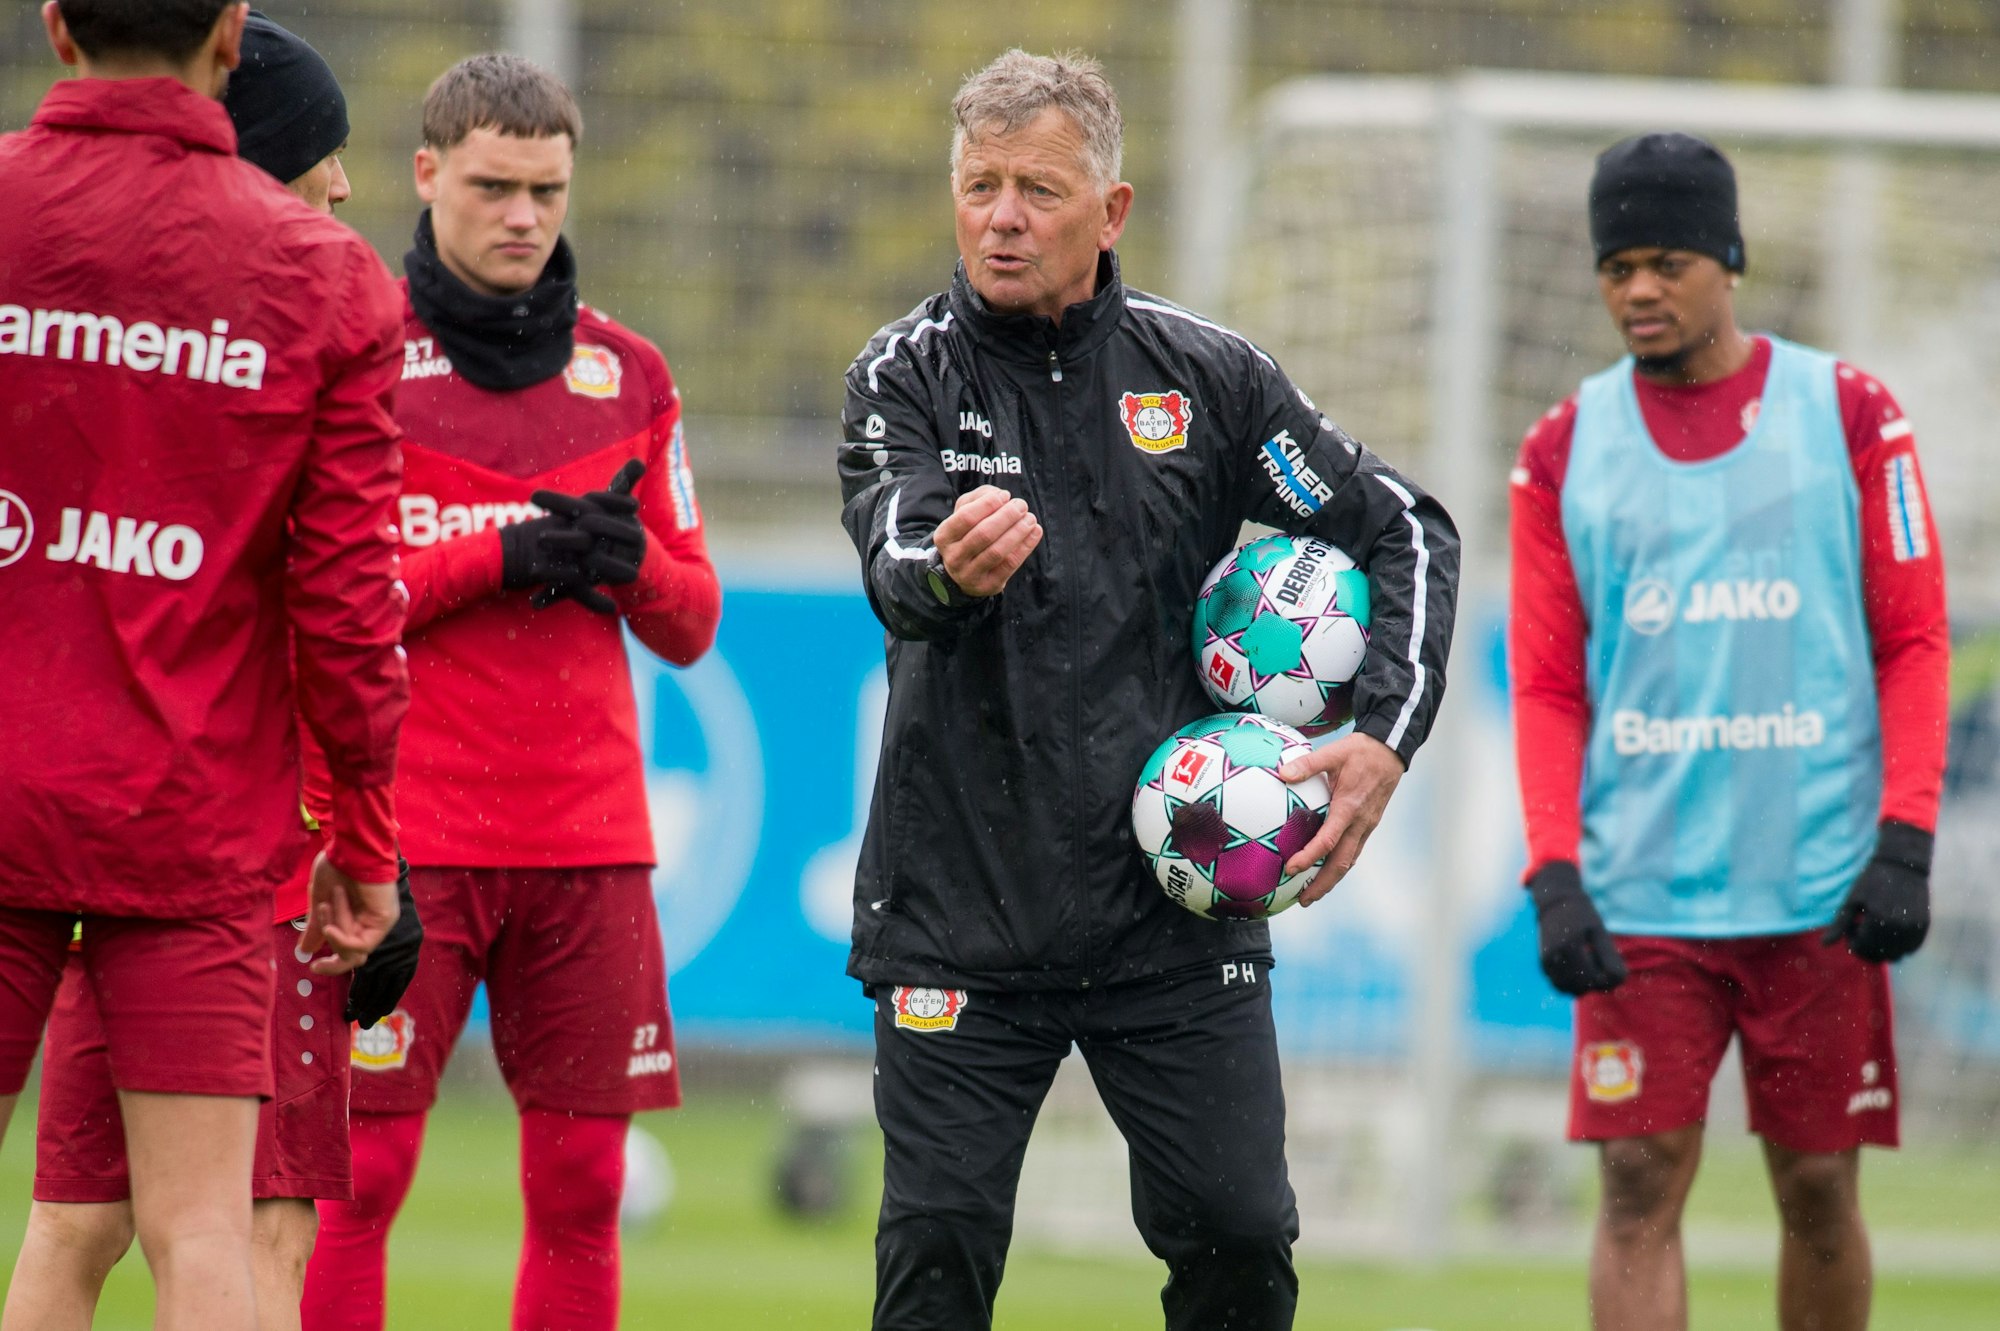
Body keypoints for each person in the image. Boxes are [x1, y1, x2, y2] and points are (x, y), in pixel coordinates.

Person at [840, 48, 1459, 1331]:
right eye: (979, 185)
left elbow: (1401, 525)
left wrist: (1383, 740)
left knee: (1239, 1239)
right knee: (936, 1256)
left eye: (1037, 189)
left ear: (1109, 211)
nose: (1001, 217)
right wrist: (947, 570)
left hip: (1175, 897)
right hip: (962, 904)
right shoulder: (903, 372)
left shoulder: (1207, 379)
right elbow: (894, 556)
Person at [1, 16, 424, 1331]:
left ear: (59, 23)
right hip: (188, 821)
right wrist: (361, 828)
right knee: (203, 1231)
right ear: (230, 34)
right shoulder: (325, 276)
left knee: (84, 1225)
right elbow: (349, 602)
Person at [299, 54, 722, 1331]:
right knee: (357, 1175)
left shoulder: (629, 376)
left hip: (588, 842)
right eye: (492, 186)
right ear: (426, 175)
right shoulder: (358, 354)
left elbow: (693, 621)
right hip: (405, 843)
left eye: (545, 188)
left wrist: (628, 560)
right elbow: (334, 599)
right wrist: (499, 553)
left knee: (586, 1183)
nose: (523, 216)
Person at [1509, 132, 1949, 1331]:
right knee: (1636, 1178)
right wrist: (1552, 871)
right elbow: (1547, 685)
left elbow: (1912, 640)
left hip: (1818, 883)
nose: (1637, 290)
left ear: (1728, 259)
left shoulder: (1850, 414)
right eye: (1615, 267)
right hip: (1643, 896)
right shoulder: (1558, 449)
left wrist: (1903, 838)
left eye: (1665, 261)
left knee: (1815, 1184)